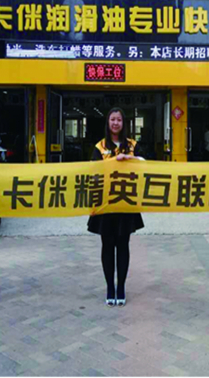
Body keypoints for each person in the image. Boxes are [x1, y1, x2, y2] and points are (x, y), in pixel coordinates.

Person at [88, 107, 145, 307]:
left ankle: (121, 287)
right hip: (106, 204)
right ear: (108, 122)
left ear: (123, 123)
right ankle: (109, 288)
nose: (115, 123)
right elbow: (93, 171)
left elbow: (145, 164)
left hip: (126, 202)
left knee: (123, 245)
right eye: (112, 119)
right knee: (107, 245)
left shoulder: (132, 145)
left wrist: (129, 158)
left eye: (119, 120)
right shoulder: (100, 146)